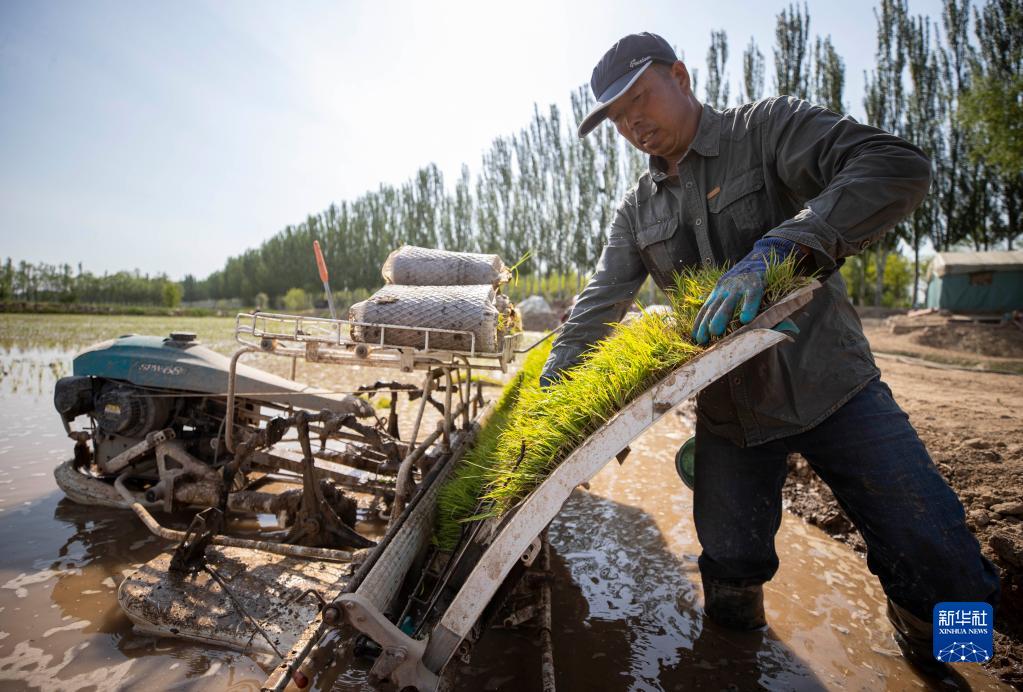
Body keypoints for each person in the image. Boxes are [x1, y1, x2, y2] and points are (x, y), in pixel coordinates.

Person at [539, 31, 1000, 678]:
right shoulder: (636, 210)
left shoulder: (767, 128)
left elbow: (896, 164)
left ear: (680, 74)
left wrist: (782, 248)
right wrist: (551, 407)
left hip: (834, 388)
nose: (631, 122)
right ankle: (735, 661)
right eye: (615, 117)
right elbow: (596, 306)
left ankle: (948, 659)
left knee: (936, 554)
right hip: (731, 416)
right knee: (729, 564)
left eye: (639, 98)